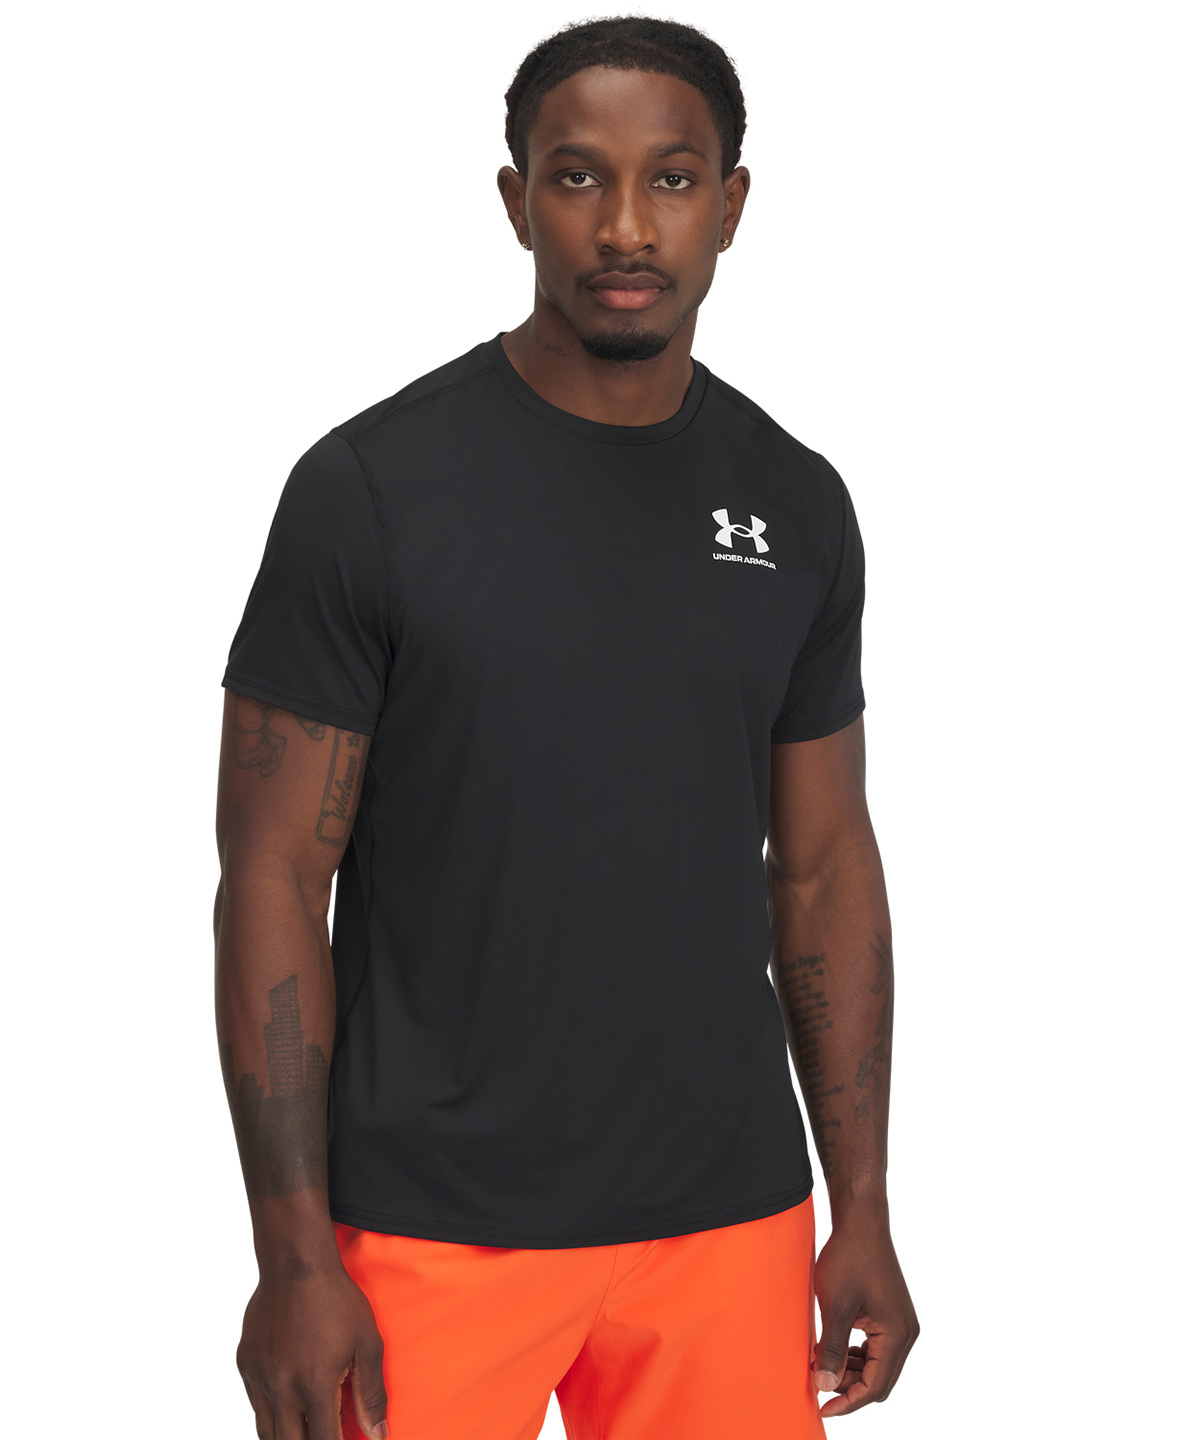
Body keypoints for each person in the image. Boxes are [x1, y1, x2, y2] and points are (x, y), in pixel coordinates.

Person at [214, 15, 918, 1440]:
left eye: (673, 179)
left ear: (732, 204)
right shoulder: (372, 490)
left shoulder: (795, 502)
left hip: (729, 1220)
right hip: (431, 1226)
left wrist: (862, 1207)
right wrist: (291, 1257)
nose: (625, 226)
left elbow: (824, 865)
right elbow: (275, 874)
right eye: (577, 175)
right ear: (516, 198)